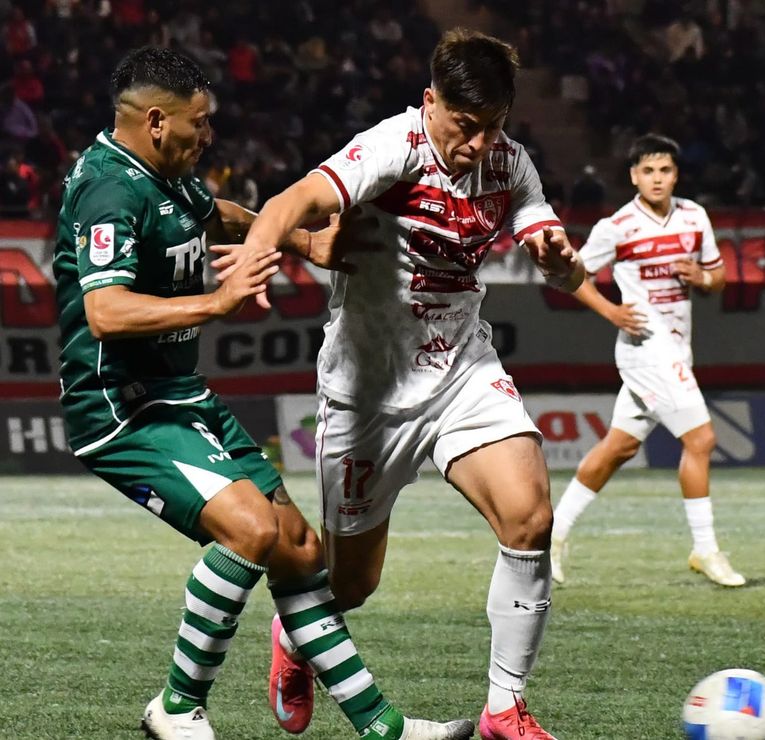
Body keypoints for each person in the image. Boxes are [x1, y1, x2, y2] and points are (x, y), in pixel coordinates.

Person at [52, 47, 472, 740]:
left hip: (178, 395)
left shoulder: (163, 175)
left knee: (301, 550)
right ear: (155, 121)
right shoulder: (109, 190)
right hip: (122, 408)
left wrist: (305, 244)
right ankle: (176, 708)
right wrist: (216, 304)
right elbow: (106, 311)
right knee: (251, 531)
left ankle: (383, 727)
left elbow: (211, 213)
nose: (208, 135)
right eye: (199, 123)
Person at [233, 29, 583, 740]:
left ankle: (504, 708)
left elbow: (565, 270)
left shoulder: (511, 165)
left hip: (462, 371)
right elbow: (293, 200)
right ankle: (295, 633)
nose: (478, 144)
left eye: (493, 127)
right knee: (353, 584)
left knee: (530, 518)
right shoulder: (392, 148)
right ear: (431, 102)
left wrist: (561, 261)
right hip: (367, 395)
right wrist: (254, 258)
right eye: (465, 124)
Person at [549, 133, 744, 588]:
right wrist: (611, 311)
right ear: (634, 176)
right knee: (702, 439)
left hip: (676, 350)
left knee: (619, 447)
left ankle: (551, 535)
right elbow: (569, 275)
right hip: (645, 349)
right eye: (648, 171)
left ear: (676, 175)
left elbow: (718, 277)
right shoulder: (617, 226)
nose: (657, 179)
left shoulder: (694, 216)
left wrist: (702, 278)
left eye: (665, 170)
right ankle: (705, 549)